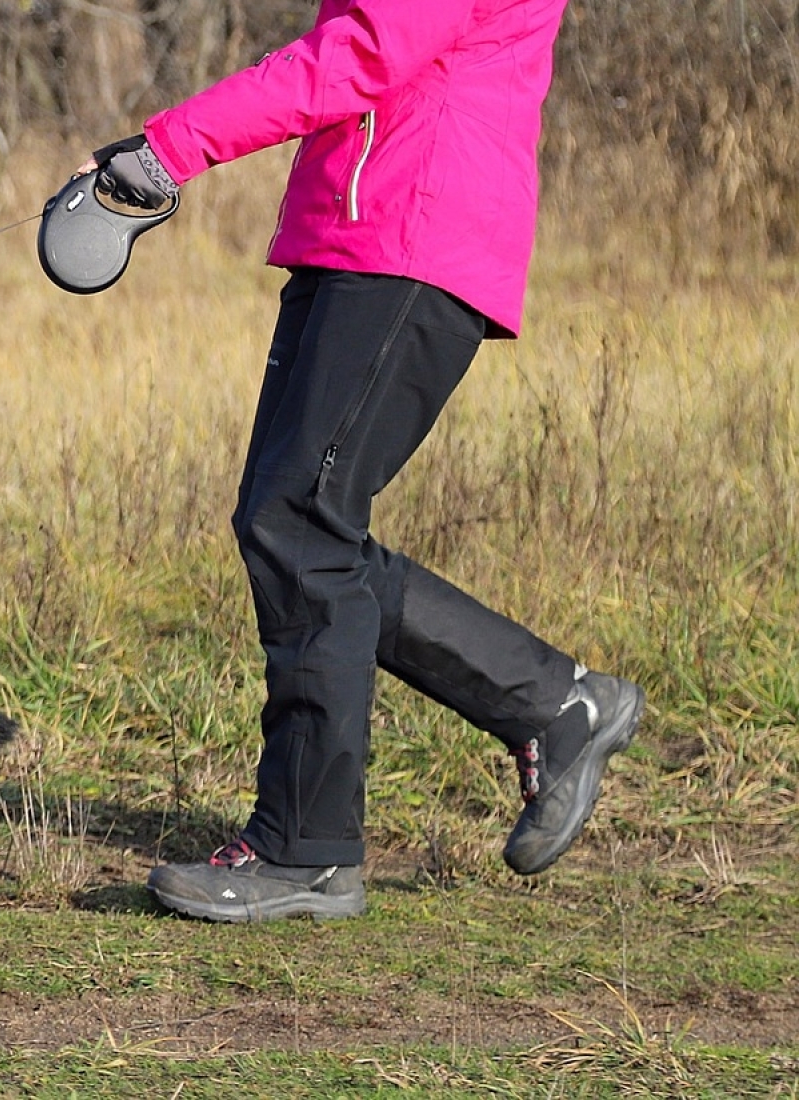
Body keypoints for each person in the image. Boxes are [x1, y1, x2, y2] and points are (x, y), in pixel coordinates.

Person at [73, 0, 644, 922]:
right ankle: (552, 703)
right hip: (362, 233)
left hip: (412, 234)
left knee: (300, 524)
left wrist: (173, 147)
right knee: (296, 525)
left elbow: (360, 55)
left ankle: (307, 851)